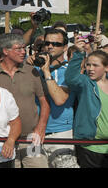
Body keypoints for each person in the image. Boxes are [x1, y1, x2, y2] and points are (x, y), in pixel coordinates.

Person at [0, 33, 50, 168]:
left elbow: (44, 101)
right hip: (2, 140)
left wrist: (41, 127)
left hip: (32, 139)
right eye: (18, 48)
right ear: (5, 51)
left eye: (24, 48)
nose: (23, 52)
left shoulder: (32, 72)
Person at [36, 28, 79, 167]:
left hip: (60, 133)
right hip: (35, 135)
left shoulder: (70, 72)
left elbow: (60, 99)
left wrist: (47, 72)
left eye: (56, 44)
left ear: (65, 47)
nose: (50, 46)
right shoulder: (34, 70)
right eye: (47, 43)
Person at [64, 42, 108, 168]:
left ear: (106, 68)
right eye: (88, 64)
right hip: (90, 146)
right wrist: (79, 54)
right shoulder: (86, 83)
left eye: (95, 65)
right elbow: (71, 78)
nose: (90, 68)